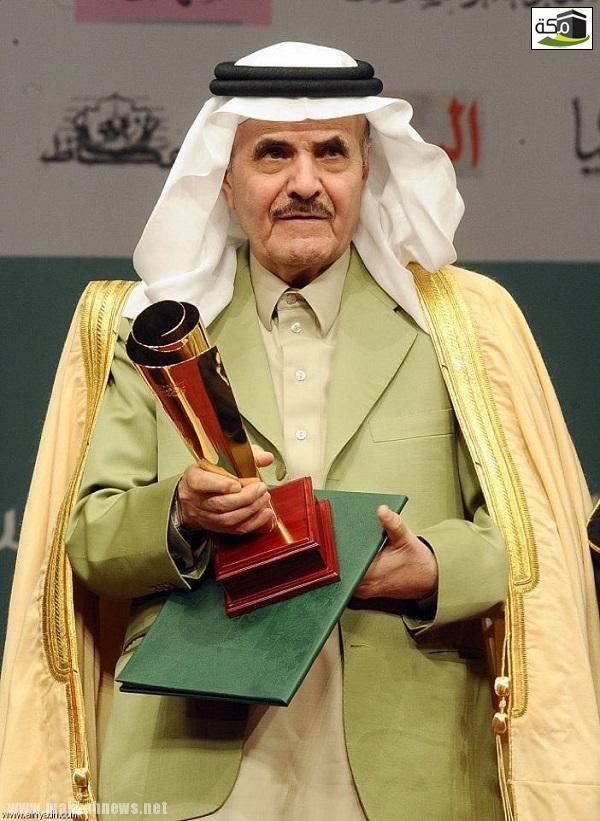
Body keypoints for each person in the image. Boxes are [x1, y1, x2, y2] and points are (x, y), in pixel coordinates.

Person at [1, 42, 599, 821]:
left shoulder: (460, 329)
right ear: (225, 178)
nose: (306, 183)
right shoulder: (150, 331)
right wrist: (181, 513)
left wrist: (429, 567)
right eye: (274, 153)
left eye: (331, 153)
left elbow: (525, 540)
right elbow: (90, 539)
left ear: (367, 171)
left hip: (408, 771)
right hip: (192, 765)